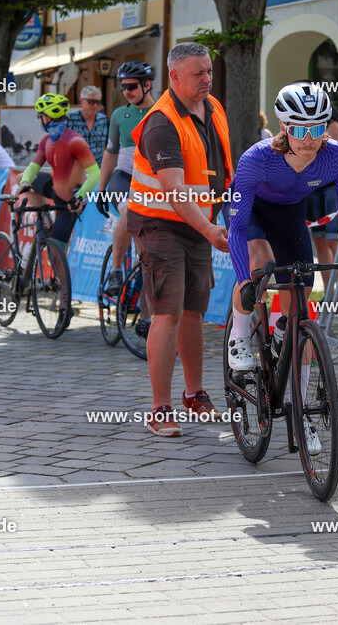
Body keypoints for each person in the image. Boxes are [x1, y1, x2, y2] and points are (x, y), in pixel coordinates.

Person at [126, 42, 230, 437]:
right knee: (167, 312)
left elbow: (219, 168)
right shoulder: (160, 122)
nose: (207, 79)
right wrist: (209, 228)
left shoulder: (213, 107)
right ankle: (160, 407)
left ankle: (194, 394)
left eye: (208, 71)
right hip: (160, 225)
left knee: (193, 312)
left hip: (199, 223)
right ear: (173, 76)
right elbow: (174, 190)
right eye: (198, 73)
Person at [227, 82, 338, 370]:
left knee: (301, 286)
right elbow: (237, 229)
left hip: (290, 212)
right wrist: (243, 282)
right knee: (260, 265)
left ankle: (285, 338)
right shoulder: (256, 159)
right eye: (298, 130)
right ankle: (239, 336)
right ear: (282, 125)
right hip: (252, 211)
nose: (307, 140)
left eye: (316, 130)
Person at [99, 61, 156, 294]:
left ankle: (146, 314)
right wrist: (102, 189)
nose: (126, 92)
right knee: (128, 210)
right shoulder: (119, 115)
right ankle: (116, 270)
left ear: (147, 84)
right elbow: (110, 154)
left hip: (151, 180)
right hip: (124, 176)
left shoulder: (161, 111)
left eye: (132, 86)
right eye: (123, 87)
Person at [17, 94, 99, 248]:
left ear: (47, 117)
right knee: (21, 177)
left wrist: (80, 196)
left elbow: (95, 174)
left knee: (55, 254)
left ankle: (58, 268)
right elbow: (33, 167)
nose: (40, 120)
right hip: (55, 189)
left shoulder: (75, 141)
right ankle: (45, 218)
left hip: (70, 201)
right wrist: (25, 182)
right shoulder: (46, 141)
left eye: (40, 116)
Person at [305, 107, 338, 289]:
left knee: (333, 241)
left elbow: (337, 154)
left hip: (331, 187)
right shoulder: (303, 125)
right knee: (320, 242)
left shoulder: (332, 123)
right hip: (312, 187)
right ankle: (328, 292)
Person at [67, 85, 108, 165]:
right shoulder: (69, 119)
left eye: (98, 102)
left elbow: (109, 147)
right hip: (75, 168)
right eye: (91, 102)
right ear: (81, 100)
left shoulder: (104, 120)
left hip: (97, 168)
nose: (95, 106)